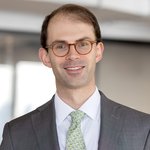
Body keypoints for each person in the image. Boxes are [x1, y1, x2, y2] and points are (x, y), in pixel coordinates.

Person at [0, 3, 150, 150]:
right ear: (45, 57)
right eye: (60, 46)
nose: (72, 55)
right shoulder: (16, 134)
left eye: (83, 44)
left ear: (98, 51)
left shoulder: (143, 129)